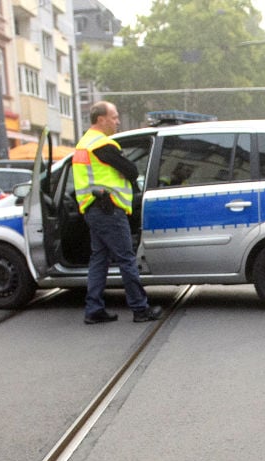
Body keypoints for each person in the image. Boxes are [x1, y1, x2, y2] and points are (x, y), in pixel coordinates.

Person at [73, 100, 163, 324]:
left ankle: (94, 309)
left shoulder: (83, 144)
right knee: (126, 259)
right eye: (114, 117)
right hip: (109, 209)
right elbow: (131, 170)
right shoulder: (100, 144)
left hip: (93, 209)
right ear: (101, 119)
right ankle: (140, 309)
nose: (118, 121)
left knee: (99, 260)